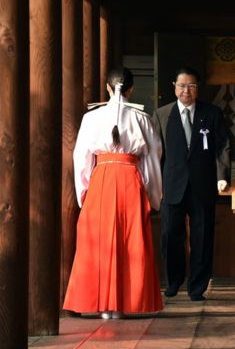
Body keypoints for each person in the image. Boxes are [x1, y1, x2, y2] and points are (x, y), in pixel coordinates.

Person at [63, 67, 163, 319]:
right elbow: (152, 159)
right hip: (131, 177)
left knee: (97, 238)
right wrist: (153, 194)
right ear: (130, 89)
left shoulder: (91, 118)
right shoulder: (143, 118)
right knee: (130, 239)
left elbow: (82, 157)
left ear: (108, 87)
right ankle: (125, 302)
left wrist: (83, 191)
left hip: (102, 178)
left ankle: (100, 303)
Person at [153, 66, 231, 301]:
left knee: (202, 236)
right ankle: (174, 282)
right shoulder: (161, 114)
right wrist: (156, 185)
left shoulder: (212, 113)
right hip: (172, 186)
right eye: (182, 85)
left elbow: (223, 146)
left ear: (198, 89)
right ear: (174, 87)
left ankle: (197, 287)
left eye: (191, 86)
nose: (186, 90)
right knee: (170, 235)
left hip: (203, 185)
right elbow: (156, 153)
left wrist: (222, 175)